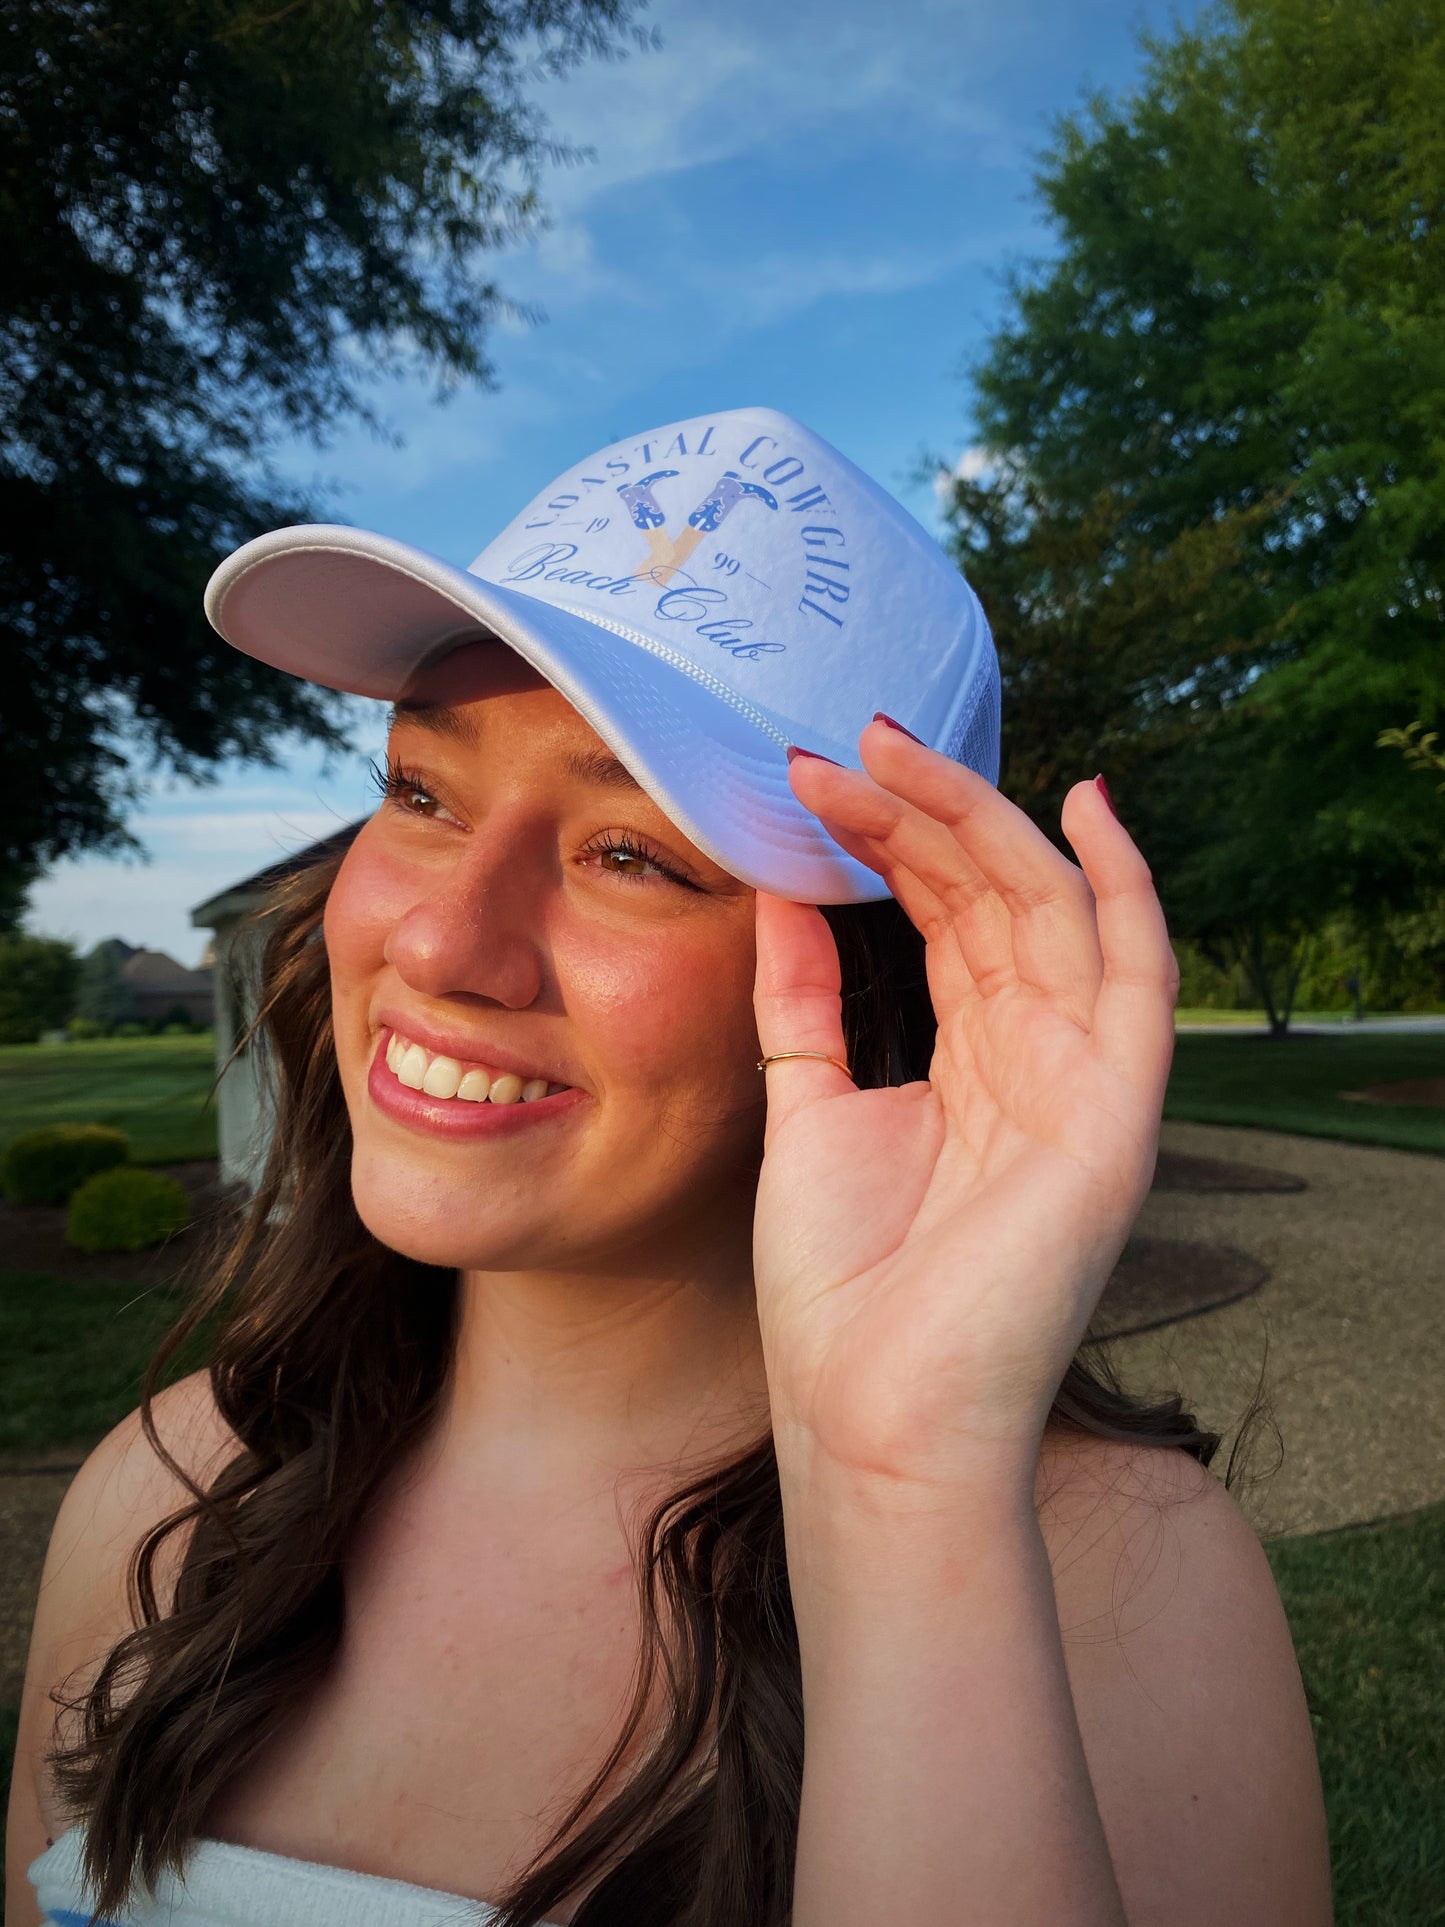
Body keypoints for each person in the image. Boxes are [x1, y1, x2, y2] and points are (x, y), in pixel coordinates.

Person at [8, 408, 1331, 1926]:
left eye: (632, 855)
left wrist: (904, 1495)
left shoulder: (1109, 1588)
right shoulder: (169, 1500)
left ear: (868, 981)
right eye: (421, 794)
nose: (437, 943)